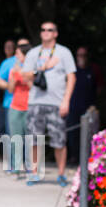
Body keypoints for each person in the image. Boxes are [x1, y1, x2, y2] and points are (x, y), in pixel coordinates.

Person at [20, 21, 76, 186]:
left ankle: (61, 174)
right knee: (34, 139)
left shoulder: (64, 52)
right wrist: (43, 68)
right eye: (43, 29)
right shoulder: (33, 53)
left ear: (55, 33)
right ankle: (34, 173)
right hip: (36, 102)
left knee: (59, 140)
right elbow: (25, 76)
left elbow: (71, 78)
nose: (45, 32)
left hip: (56, 103)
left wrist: (66, 100)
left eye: (49, 30)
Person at [66, 45, 98, 164]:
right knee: (72, 134)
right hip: (73, 107)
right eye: (79, 55)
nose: (82, 57)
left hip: (88, 108)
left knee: (89, 134)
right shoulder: (72, 71)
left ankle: (87, 158)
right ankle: (74, 157)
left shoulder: (93, 70)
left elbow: (99, 88)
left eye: (84, 55)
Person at [5, 39, 32, 175]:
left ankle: (29, 167)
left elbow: (34, 87)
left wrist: (24, 75)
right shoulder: (14, 69)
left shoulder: (33, 69)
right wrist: (14, 77)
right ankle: (15, 167)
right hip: (15, 107)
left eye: (18, 53)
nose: (16, 56)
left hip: (29, 108)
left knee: (29, 139)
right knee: (15, 138)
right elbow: (10, 89)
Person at [0, 38, 16, 137]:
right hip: (2, 100)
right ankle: (4, 152)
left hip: (14, 101)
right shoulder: (1, 62)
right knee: (2, 128)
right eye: (7, 46)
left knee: (12, 131)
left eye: (11, 47)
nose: (8, 48)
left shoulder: (20, 62)